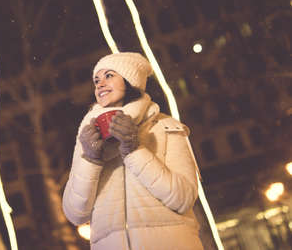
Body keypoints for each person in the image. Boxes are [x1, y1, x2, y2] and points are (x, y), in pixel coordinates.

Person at [62, 52, 203, 250]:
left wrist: (134, 150)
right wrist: (91, 160)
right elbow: (75, 213)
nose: (100, 84)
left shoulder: (165, 127)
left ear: (131, 80)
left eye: (109, 75)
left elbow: (183, 198)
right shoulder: (87, 137)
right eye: (96, 80)